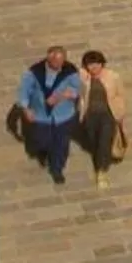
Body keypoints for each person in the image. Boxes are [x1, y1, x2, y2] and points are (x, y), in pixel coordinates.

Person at [15, 45, 81, 185]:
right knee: (41, 140)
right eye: (55, 63)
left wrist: (64, 95)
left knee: (61, 144)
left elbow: (78, 89)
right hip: (41, 115)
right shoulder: (34, 72)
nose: (59, 65)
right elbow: (24, 91)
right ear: (48, 59)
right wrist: (26, 109)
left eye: (61, 62)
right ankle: (44, 152)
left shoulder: (70, 72)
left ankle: (57, 170)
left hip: (63, 115)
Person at [81, 50, 127, 178]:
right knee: (94, 140)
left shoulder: (113, 76)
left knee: (104, 141)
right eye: (90, 64)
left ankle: (102, 170)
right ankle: (100, 158)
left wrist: (120, 112)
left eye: (96, 63)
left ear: (102, 63)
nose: (93, 67)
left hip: (108, 114)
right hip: (90, 115)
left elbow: (121, 95)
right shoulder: (84, 78)